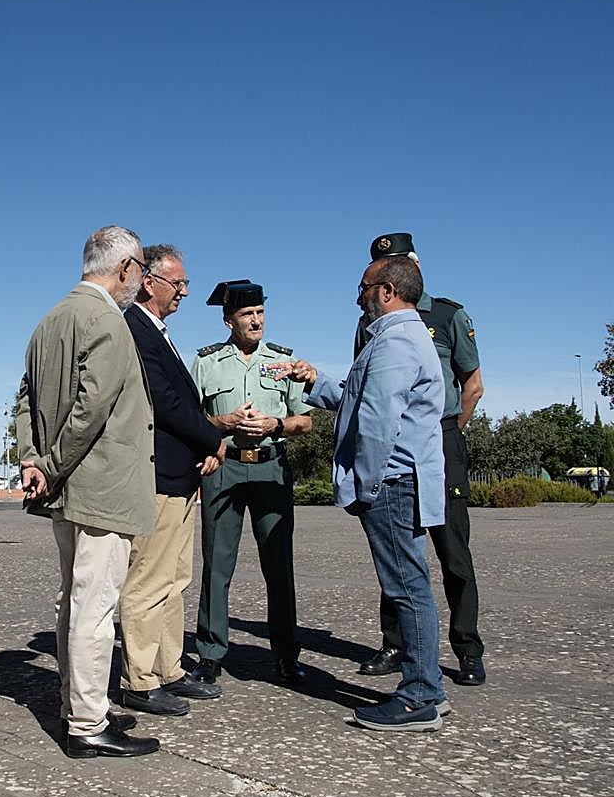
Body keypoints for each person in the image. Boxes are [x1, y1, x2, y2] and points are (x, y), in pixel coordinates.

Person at [14, 225, 159, 759]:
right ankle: (86, 723)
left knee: (74, 601)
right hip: (102, 487)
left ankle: (79, 702)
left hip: (67, 492)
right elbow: (92, 408)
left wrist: (33, 459)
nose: (140, 283)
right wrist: (50, 463)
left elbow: (25, 398)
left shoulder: (49, 320)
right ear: (124, 268)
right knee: (94, 606)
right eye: (141, 271)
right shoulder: (107, 321)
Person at [287, 253, 448, 731]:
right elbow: (358, 398)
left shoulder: (395, 343)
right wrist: (315, 380)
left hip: (393, 483)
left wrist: (366, 484)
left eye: (364, 287)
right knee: (409, 584)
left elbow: (378, 420)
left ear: (387, 291)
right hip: (400, 480)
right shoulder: (399, 339)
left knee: (406, 588)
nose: (358, 296)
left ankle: (421, 693)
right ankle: (427, 689)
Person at [354, 233, 487, 686]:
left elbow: (472, 384)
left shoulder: (447, 315)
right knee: (398, 553)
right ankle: (396, 644)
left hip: (439, 440)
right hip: (399, 449)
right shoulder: (372, 323)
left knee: (452, 550)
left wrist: (441, 432)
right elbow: (366, 393)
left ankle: (466, 647)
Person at [189, 280, 314, 686]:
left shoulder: (283, 362)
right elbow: (188, 419)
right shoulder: (206, 363)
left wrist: (275, 424)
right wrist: (220, 424)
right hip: (223, 469)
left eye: (260, 312)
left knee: (278, 566)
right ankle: (210, 653)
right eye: (247, 315)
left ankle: (285, 654)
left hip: (270, 468)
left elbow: (306, 420)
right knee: (217, 563)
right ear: (229, 321)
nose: (256, 320)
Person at [119, 245, 226, 717]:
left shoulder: (159, 332)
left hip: (180, 477)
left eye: (185, 284)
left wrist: (203, 446)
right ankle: (139, 679)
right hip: (157, 474)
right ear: (149, 281)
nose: (184, 292)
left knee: (175, 578)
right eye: (177, 283)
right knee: (148, 580)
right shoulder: (135, 329)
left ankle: (169, 669)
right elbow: (162, 400)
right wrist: (214, 435)